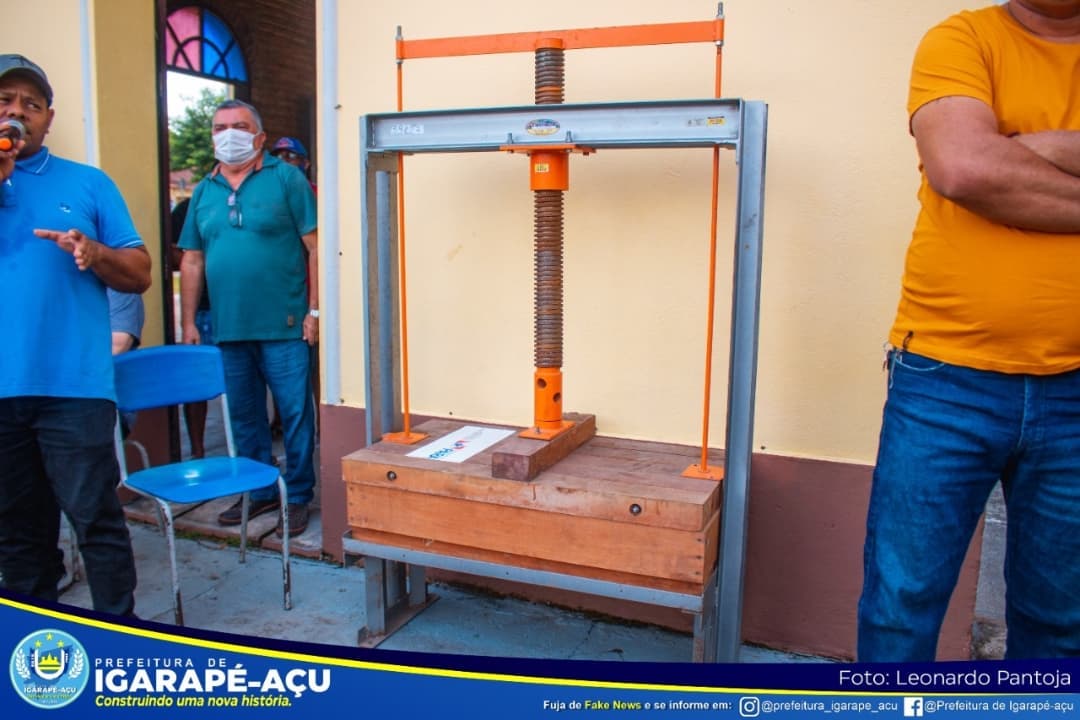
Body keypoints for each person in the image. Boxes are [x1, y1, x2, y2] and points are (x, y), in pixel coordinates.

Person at [859, 1, 1080, 661]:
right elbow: (963, 168)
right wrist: (1016, 158)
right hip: (944, 378)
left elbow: (985, 168)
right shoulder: (963, 39)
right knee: (900, 608)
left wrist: (1018, 151)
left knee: (1061, 620)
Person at [0, 54, 150, 616]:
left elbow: (140, 272)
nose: (18, 113)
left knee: (97, 521)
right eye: (5, 102)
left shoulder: (88, 183)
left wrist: (95, 253)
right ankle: (32, 647)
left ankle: (118, 640)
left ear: (48, 118)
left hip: (75, 390)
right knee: (18, 534)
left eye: (31, 104)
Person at [179, 99, 318, 538]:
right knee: (244, 416)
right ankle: (260, 491)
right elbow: (192, 260)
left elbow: (316, 247)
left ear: (259, 137)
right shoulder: (204, 190)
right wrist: (187, 323)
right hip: (229, 327)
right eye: (220, 127)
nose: (229, 134)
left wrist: (315, 310)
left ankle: (298, 496)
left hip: (286, 324)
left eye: (239, 126)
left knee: (295, 414)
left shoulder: (286, 179)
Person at [170, 197, 212, 458]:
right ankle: (198, 451)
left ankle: (250, 455)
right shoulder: (190, 207)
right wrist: (187, 322)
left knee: (245, 385)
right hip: (203, 310)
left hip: (241, 310)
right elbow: (174, 252)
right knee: (197, 385)